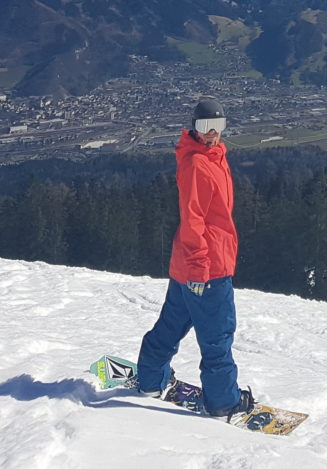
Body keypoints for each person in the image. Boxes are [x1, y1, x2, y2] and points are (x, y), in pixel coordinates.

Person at [136, 96, 254, 421]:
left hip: (188, 266)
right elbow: (193, 221)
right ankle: (223, 402)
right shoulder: (197, 165)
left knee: (171, 325)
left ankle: (149, 380)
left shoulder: (211, 156)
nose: (212, 133)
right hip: (206, 267)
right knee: (218, 334)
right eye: (205, 127)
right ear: (194, 127)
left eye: (218, 126)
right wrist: (200, 271)